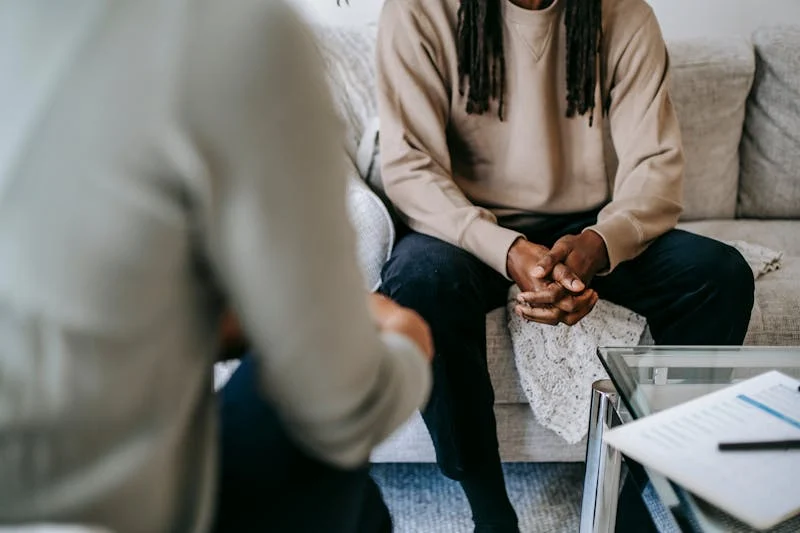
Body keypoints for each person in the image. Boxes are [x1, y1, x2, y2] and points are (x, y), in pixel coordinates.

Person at [0, 1, 433, 532]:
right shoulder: (231, 34)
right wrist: (407, 341)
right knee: (319, 440)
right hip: (108, 512)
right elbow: (340, 407)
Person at [375, 0, 755, 530]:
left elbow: (655, 167)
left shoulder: (624, 15)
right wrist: (505, 249)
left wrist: (600, 244)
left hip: (584, 228)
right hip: (465, 225)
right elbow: (410, 166)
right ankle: (489, 510)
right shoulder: (419, 11)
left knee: (720, 276)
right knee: (419, 284)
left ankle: (626, 484)